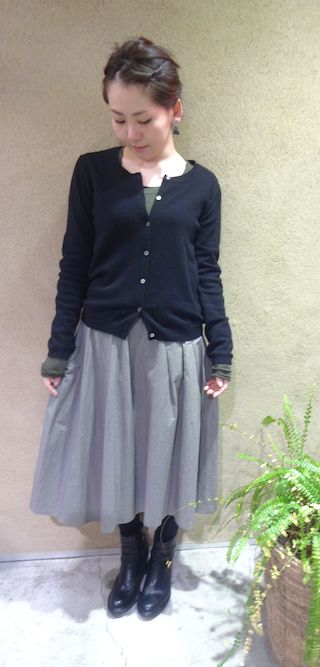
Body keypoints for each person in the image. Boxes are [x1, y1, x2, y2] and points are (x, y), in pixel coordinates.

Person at [30, 37, 233, 621]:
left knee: (167, 453)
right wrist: (58, 350)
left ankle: (162, 555)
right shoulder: (92, 172)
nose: (130, 132)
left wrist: (220, 349)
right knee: (116, 449)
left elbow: (207, 270)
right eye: (118, 118)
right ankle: (131, 554)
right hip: (106, 343)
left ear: (175, 109)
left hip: (175, 344)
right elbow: (74, 264)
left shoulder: (203, 186)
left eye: (143, 119)